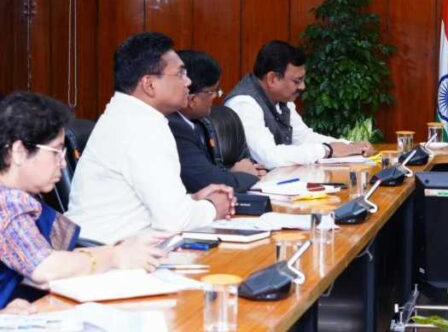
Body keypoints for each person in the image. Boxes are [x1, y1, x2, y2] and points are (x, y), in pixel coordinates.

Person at [0, 92, 165, 308]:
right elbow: (45, 267)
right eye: (56, 152)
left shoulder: (24, 196)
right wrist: (113, 255)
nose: (62, 163)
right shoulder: (7, 202)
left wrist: (121, 249)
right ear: (19, 152)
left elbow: (55, 255)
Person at [67, 33, 236, 243]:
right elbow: (174, 221)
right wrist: (213, 207)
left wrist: (192, 200)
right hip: (109, 253)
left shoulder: (128, 116)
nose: (188, 81)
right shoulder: (141, 127)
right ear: (149, 84)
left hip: (113, 246)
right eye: (180, 74)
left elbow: (148, 205)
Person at [225, 41, 374, 169]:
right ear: (272, 79)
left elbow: (303, 137)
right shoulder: (243, 104)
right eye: (297, 81)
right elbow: (269, 157)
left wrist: (350, 146)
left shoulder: (282, 99)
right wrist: (327, 150)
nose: (303, 87)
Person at [169, 50, 263, 194]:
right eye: (212, 92)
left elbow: (207, 171)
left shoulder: (198, 123)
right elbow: (209, 182)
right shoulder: (175, 127)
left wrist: (232, 173)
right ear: (192, 100)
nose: (216, 97)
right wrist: (248, 175)